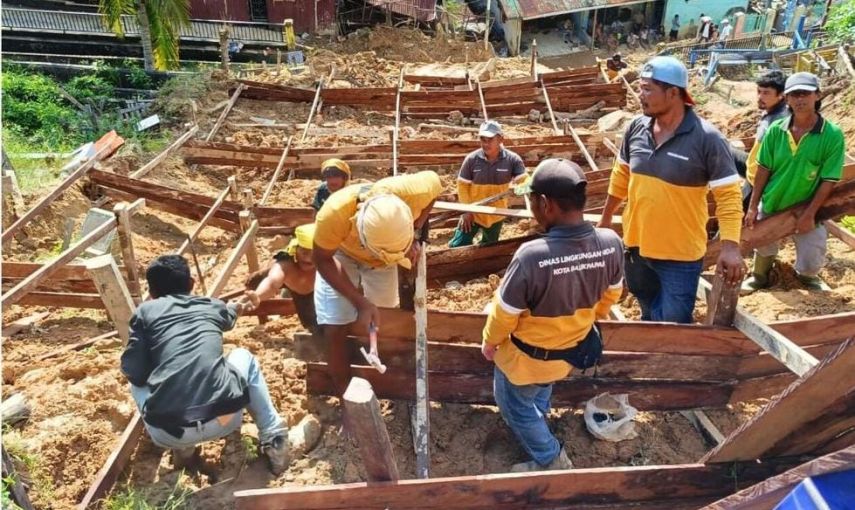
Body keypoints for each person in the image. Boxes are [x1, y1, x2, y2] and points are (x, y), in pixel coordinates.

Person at [482, 159, 624, 473]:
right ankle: (540, 415)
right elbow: (612, 295)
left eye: (531, 201)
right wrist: (582, 320)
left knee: (514, 406)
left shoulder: (532, 256)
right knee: (541, 388)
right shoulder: (610, 243)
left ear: (545, 204)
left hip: (524, 359)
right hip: (569, 352)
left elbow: (504, 315)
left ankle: (551, 459)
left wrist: (489, 342)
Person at [598, 56, 745, 323]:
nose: (639, 95)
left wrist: (731, 247)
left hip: (679, 256)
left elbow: (729, 197)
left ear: (673, 93)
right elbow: (621, 175)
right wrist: (607, 218)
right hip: (636, 246)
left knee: (673, 323)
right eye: (640, 88)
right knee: (647, 308)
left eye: (647, 89)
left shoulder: (707, 139)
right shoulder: (636, 128)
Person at [121, 255, 290, 475]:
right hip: (226, 417)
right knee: (242, 355)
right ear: (191, 284)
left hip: (170, 433)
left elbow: (134, 371)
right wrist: (238, 305)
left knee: (138, 383)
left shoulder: (145, 312)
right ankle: (274, 437)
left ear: (151, 293)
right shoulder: (211, 306)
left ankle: (184, 453)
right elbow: (228, 314)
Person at [313, 171, 442, 394]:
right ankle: (347, 398)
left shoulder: (414, 192)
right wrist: (359, 300)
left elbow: (436, 186)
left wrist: (415, 229)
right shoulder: (334, 215)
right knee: (335, 323)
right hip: (342, 253)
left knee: (385, 316)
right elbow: (322, 259)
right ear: (361, 231)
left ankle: (385, 381)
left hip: (388, 257)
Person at [742, 72, 845, 293]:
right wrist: (752, 207)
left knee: (812, 252)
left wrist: (810, 213)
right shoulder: (776, 130)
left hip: (807, 206)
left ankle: (807, 278)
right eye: (794, 94)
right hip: (774, 201)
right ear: (786, 99)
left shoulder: (831, 135)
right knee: (764, 244)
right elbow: (763, 170)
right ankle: (760, 276)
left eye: (805, 93)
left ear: (817, 95)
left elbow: (828, 179)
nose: (800, 99)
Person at [449, 120, 526, 248]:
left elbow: (523, 180)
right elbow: (462, 186)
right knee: (458, 245)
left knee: (489, 247)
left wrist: (528, 186)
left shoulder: (512, 160)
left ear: (501, 139)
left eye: (490, 139)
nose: (485, 143)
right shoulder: (472, 159)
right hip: (474, 213)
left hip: (496, 214)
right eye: (482, 139)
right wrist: (466, 211)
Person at [241, 223, 318, 331]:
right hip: (282, 279)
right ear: (295, 249)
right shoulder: (285, 265)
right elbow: (272, 283)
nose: (308, 258)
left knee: (312, 326)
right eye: (304, 251)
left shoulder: (332, 263)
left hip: (310, 294)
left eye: (313, 253)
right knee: (254, 281)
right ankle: (262, 320)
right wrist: (258, 296)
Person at [741, 70, 788, 206]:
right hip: (752, 164)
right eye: (759, 91)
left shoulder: (779, 122)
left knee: (735, 218)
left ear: (781, 95)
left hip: (757, 179)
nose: (760, 97)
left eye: (766, 93)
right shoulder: (771, 111)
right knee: (724, 148)